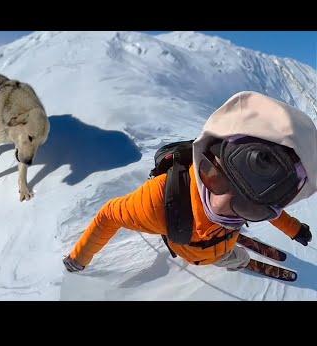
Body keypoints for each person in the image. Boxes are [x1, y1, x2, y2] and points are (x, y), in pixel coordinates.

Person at [63, 91, 317, 273]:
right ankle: (237, 260)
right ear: (203, 156)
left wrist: (293, 228)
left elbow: (269, 206)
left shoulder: (253, 196)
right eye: (214, 176)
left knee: (234, 225)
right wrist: (77, 256)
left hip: (214, 243)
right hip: (201, 254)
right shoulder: (158, 200)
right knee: (231, 256)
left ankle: (233, 254)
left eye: (250, 207)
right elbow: (108, 215)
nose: (219, 205)